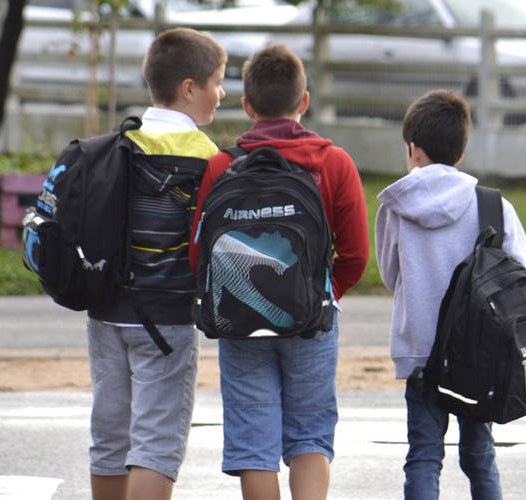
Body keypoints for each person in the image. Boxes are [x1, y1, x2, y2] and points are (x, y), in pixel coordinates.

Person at [188, 44, 370, 500]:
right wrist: (320, 294)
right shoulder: (334, 163)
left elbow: (200, 254)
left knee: (254, 445)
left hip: (238, 320)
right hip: (312, 323)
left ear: (247, 106)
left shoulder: (221, 167)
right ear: (303, 101)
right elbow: (356, 254)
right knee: (309, 436)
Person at [375, 90, 526, 500]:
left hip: (422, 353)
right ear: (461, 152)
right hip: (479, 354)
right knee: (479, 455)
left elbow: (391, 276)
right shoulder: (493, 206)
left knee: (424, 455)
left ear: (412, 149)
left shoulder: (395, 206)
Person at [86, 28, 226, 500]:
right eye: (218, 83)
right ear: (190, 88)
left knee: (109, 436)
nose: (221, 94)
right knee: (155, 445)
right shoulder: (209, 158)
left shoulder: (116, 146)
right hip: (165, 321)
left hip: (105, 312)